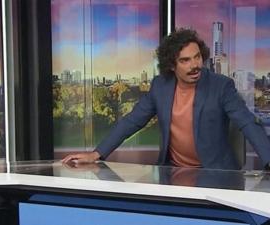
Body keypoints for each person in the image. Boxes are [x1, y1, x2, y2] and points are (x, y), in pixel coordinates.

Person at [63, 28, 270, 170]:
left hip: (216, 174)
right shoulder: (160, 86)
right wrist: (97, 154)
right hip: (174, 173)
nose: (195, 65)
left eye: (197, 57)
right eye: (185, 60)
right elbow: (132, 121)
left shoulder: (221, 86)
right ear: (171, 65)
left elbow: (247, 122)